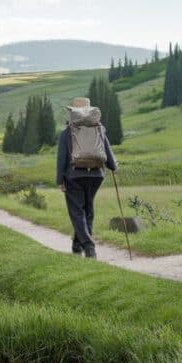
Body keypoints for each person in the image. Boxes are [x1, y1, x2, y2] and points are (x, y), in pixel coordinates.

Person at [56, 97, 118, 259]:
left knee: (77, 212)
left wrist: (59, 180)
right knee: (88, 210)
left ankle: (88, 246)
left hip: (73, 176)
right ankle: (78, 245)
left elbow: (61, 158)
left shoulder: (67, 132)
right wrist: (113, 166)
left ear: (73, 113)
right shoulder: (99, 128)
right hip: (96, 175)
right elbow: (107, 150)